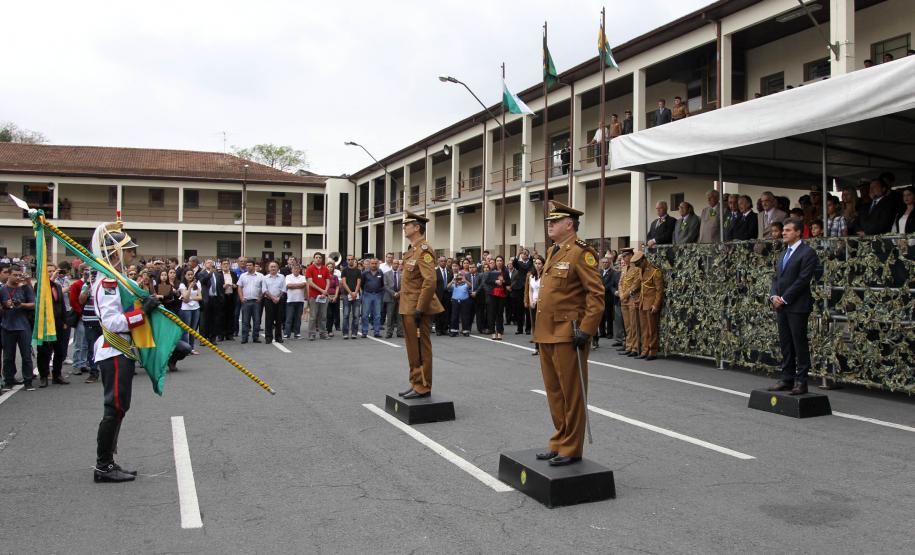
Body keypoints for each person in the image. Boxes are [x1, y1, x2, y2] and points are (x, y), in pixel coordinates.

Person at [89, 217, 165, 482]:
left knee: (120, 408)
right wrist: (142, 313)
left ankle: (109, 461)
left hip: (122, 350)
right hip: (114, 348)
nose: (133, 254)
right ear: (116, 253)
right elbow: (112, 322)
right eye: (129, 250)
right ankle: (103, 466)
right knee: (115, 407)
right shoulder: (108, 282)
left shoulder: (117, 279)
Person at [534, 201, 604, 466]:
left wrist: (586, 331)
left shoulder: (580, 253)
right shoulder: (553, 251)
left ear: (569, 224)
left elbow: (596, 296)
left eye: (555, 221)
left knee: (571, 393)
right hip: (547, 332)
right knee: (554, 392)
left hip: (568, 332)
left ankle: (572, 448)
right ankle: (559, 440)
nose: (549, 224)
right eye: (548, 221)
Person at [768, 219, 820, 395]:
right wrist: (774, 296)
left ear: (798, 232)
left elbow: (803, 279)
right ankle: (786, 378)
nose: (784, 233)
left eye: (788, 230)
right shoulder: (783, 254)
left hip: (797, 305)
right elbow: (776, 278)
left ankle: (801, 381)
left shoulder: (808, 253)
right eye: (783, 230)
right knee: (786, 344)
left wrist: (785, 298)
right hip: (781, 306)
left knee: (799, 344)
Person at [397, 212, 444, 399]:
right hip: (407, 305)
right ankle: (416, 381)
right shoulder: (412, 250)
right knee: (412, 346)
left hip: (417, 307)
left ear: (417, 227)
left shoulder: (424, 250)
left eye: (407, 224)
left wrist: (420, 308)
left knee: (421, 346)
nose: (404, 227)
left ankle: (424, 385)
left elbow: (430, 281)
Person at [1, 264, 36, 391]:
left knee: (26, 355)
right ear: (9, 274)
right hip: (7, 326)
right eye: (14, 275)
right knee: (8, 356)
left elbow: (33, 304)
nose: (17, 278)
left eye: (19, 275)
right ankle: (9, 380)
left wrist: (21, 305)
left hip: (23, 326)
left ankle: (28, 381)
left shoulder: (25, 288)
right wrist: (5, 305)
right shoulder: (2, 289)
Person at [36, 264, 71, 388]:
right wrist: (52, 278)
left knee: (60, 350)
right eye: (49, 271)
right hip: (45, 323)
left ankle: (57, 375)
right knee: (44, 351)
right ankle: (44, 376)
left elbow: (61, 305)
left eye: (53, 271)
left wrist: (65, 321)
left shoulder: (57, 286)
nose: (52, 273)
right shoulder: (39, 286)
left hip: (58, 323)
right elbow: (45, 292)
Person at [631, 252, 663, 360]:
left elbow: (659, 291)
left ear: (644, 260)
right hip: (642, 303)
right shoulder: (641, 270)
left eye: (638, 264)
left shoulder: (655, 271)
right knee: (644, 329)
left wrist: (656, 305)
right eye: (636, 264)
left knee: (651, 329)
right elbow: (639, 284)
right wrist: (633, 292)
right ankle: (645, 350)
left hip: (651, 304)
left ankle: (652, 351)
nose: (637, 266)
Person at [305, 253, 332, 340]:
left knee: (323, 316)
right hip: (314, 296)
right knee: (313, 316)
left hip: (324, 296)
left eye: (320, 258)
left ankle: (323, 333)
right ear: (314, 259)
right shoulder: (310, 268)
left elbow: (328, 281)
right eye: (316, 257)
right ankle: (312, 334)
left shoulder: (325, 269)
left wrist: (325, 291)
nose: (318, 259)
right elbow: (310, 282)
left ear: (322, 259)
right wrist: (321, 290)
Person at [237, 260, 264, 344]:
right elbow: (239, 287)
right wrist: (241, 297)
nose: (248, 266)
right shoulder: (243, 276)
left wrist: (260, 298)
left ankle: (255, 337)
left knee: (256, 320)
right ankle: (244, 338)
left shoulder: (260, 276)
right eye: (247, 265)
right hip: (246, 301)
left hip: (256, 301)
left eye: (250, 265)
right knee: (245, 321)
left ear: (254, 266)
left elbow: (264, 288)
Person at [485, 256, 509, 340]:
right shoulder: (492, 271)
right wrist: (495, 281)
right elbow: (487, 281)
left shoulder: (505, 272)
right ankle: (492, 332)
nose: (499, 262)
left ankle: (499, 332)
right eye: (497, 260)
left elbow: (508, 282)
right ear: (495, 262)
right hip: (493, 295)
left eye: (501, 260)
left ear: (503, 262)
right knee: (492, 313)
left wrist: (503, 281)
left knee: (500, 314)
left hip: (502, 295)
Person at [178, 269, 202, 354]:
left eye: (191, 274)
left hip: (196, 308)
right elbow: (185, 298)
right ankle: (185, 349)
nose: (190, 276)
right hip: (186, 309)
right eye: (188, 274)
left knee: (193, 329)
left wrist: (191, 298)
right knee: (185, 330)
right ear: (185, 275)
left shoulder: (197, 283)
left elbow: (200, 297)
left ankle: (191, 348)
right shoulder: (182, 285)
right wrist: (190, 287)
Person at [262, 262, 286, 344]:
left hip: (279, 300)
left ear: (278, 268)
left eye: (275, 267)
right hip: (269, 300)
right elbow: (264, 290)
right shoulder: (265, 278)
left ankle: (278, 337)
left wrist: (278, 297)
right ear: (268, 268)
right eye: (271, 267)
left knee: (279, 319)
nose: (273, 268)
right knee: (269, 319)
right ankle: (268, 337)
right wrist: (273, 298)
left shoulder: (282, 277)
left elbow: (283, 289)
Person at [524, 255, 544, 355]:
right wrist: (531, 300)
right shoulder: (531, 276)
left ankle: (543, 347)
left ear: (543, 265)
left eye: (539, 263)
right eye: (536, 263)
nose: (537, 265)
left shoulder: (545, 276)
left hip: (542, 302)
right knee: (534, 325)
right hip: (534, 303)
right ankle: (536, 347)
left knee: (542, 325)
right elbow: (530, 290)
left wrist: (538, 300)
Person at [361, 258, 385, 338]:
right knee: (365, 314)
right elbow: (362, 284)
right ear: (370, 264)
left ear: (377, 264)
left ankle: (377, 332)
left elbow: (382, 284)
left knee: (377, 315)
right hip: (367, 295)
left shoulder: (380, 272)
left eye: (375, 263)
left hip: (378, 295)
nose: (374, 265)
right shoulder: (365, 273)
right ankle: (364, 332)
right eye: (372, 263)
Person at [340, 255, 362, 340]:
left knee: (356, 315)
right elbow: (344, 283)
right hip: (346, 295)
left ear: (354, 260)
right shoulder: (344, 270)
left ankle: (354, 333)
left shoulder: (358, 271)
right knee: (346, 315)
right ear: (346, 261)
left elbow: (359, 283)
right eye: (348, 259)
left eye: (351, 259)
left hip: (356, 295)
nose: (350, 261)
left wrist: (355, 293)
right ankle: (345, 333)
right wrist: (350, 293)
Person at [284, 264, 307, 339]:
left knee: (298, 318)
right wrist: (299, 285)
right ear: (292, 270)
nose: (296, 270)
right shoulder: (288, 276)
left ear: (299, 270)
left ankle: (297, 334)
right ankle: (287, 334)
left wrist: (294, 285)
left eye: (297, 269)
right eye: (294, 269)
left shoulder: (303, 277)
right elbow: (288, 286)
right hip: (291, 300)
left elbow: (304, 284)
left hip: (300, 300)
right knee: (289, 318)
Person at [383, 260, 403, 338]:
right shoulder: (386, 274)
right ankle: (389, 332)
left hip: (400, 297)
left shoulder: (402, 274)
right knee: (390, 316)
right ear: (392, 264)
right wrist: (393, 293)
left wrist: (399, 293)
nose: (396, 265)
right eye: (394, 263)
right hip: (390, 297)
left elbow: (404, 286)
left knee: (399, 316)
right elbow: (385, 286)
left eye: (397, 264)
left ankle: (400, 332)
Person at [433, 256, 452, 336]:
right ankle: (438, 329)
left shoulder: (449, 271)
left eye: (444, 261)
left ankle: (445, 329)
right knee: (438, 313)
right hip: (438, 295)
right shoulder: (435, 272)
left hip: (447, 295)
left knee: (446, 312)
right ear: (438, 262)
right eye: (441, 261)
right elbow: (433, 284)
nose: (443, 262)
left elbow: (451, 282)